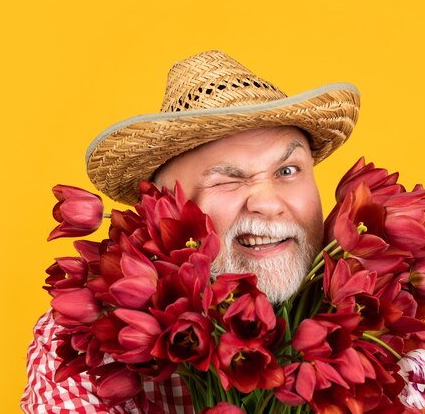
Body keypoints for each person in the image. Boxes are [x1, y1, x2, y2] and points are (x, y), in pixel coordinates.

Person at [21, 50, 360, 413]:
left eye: (288, 171)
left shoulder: (370, 311)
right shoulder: (87, 336)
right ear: (158, 213)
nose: (268, 203)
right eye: (227, 179)